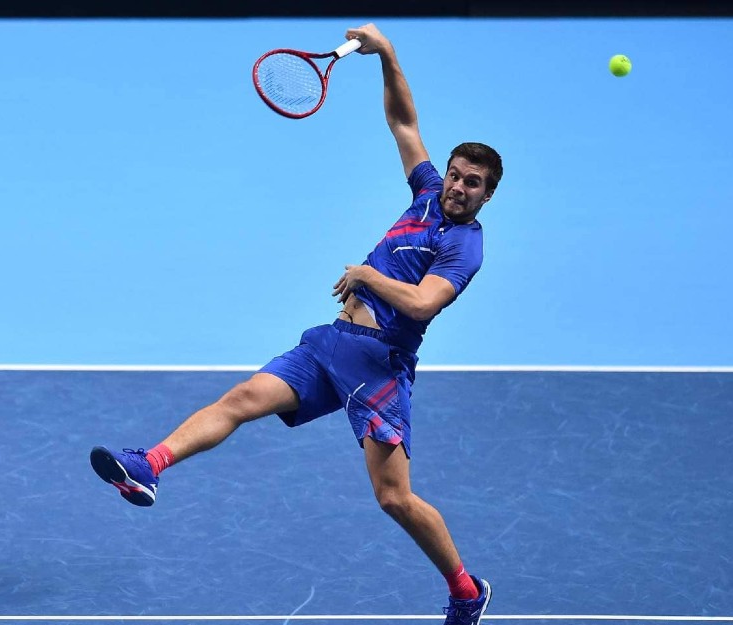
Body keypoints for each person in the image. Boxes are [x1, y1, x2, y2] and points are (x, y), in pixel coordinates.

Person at [89, 24, 500, 625]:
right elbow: (404, 124)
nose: (459, 187)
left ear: (488, 196)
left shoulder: (465, 246)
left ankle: (466, 589)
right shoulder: (426, 195)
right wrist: (387, 53)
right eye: (458, 174)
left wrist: (367, 274)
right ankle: (148, 466)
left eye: (473, 184)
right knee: (244, 396)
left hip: (380, 368)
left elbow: (421, 305)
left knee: (394, 498)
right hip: (333, 344)